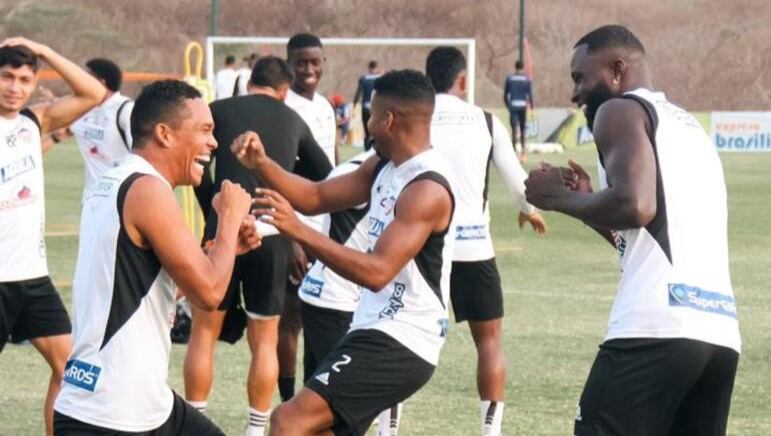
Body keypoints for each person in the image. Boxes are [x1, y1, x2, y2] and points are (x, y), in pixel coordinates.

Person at [524, 25, 741, 436]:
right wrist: (589, 204)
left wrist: (554, 197)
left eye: (579, 77)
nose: (574, 93)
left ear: (617, 70)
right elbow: (651, 234)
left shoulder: (619, 111)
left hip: (653, 330)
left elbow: (637, 206)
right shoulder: (690, 128)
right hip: (717, 338)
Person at [232, 69, 456, 436]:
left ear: (388, 119)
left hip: (404, 337)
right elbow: (316, 196)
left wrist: (297, 230)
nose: (366, 124)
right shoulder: (382, 164)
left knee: (287, 421)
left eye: (371, 114)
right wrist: (262, 164)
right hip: (371, 326)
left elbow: (377, 271)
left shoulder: (426, 188)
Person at [53, 79, 261, 435]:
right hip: (111, 414)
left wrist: (223, 251)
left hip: (142, 405)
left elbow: (149, 287)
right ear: (164, 134)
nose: (213, 142)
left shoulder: (118, 180)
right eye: (205, 130)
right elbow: (209, 294)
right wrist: (228, 218)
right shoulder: (148, 190)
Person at [185, 56, 331, 436]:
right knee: (265, 336)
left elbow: (197, 165)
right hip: (271, 231)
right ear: (284, 90)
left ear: (250, 81)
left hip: (225, 229)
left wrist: (213, 209)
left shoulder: (218, 110)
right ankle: (255, 428)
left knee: (204, 330)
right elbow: (323, 176)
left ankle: (196, 419)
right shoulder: (293, 119)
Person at [425, 46, 547, 436]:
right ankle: (489, 432)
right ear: (463, 80)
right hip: (474, 247)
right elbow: (518, 180)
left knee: (399, 338)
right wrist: (529, 209)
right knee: (489, 342)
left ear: (428, 79)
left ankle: (387, 429)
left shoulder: (416, 117)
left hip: (423, 247)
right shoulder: (485, 121)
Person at [0, 37, 105, 436]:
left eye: (24, 79)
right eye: (7, 77)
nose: (15, 87)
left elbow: (93, 92)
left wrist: (43, 50)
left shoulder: (34, 121)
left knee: (69, 369)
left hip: (33, 278)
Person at [278, 32, 338, 403]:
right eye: (301, 62)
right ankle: (288, 403)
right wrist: (292, 238)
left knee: (325, 318)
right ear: (289, 65)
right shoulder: (284, 108)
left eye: (315, 62)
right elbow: (276, 175)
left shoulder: (327, 109)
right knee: (291, 320)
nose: (309, 69)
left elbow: (333, 172)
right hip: (293, 231)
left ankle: (312, 402)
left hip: (327, 232)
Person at [70, 58, 134, 200]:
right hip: (92, 197)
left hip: (121, 197)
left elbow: (142, 156)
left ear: (102, 82)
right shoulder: (83, 109)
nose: (81, 83)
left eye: (87, 78)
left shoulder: (125, 109)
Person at [503, 60, 533, 162]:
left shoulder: (510, 78)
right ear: (523, 67)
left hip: (513, 106)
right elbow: (529, 95)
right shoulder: (526, 79)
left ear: (515, 67)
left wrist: (508, 105)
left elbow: (505, 94)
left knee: (514, 130)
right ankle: (523, 154)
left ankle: (513, 154)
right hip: (523, 107)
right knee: (523, 129)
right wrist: (531, 107)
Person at [353, 60, 383, 149]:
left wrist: (354, 104)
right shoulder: (381, 78)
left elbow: (358, 93)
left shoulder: (363, 79)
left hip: (365, 107)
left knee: (367, 132)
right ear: (377, 67)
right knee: (378, 131)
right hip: (377, 107)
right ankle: (378, 150)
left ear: (369, 68)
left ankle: (366, 150)